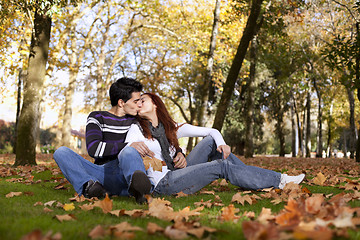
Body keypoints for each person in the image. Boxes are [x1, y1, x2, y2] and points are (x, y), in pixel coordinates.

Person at [122, 93, 305, 196]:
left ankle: (253, 180)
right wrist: (131, 146)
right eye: (136, 103)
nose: (138, 104)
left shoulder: (172, 127)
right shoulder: (136, 129)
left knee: (212, 143)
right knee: (220, 165)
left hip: (179, 172)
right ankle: (280, 180)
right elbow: (127, 152)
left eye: (142, 100)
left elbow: (212, 132)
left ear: (155, 104)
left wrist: (221, 144)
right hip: (164, 184)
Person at [53, 77, 153, 204]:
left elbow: (160, 134)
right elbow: (94, 148)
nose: (140, 105)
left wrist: (177, 151)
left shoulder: (137, 121)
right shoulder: (97, 117)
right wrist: (128, 145)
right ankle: (90, 187)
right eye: (136, 101)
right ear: (121, 103)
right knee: (61, 152)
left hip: (126, 171)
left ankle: (141, 192)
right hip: (101, 173)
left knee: (129, 153)